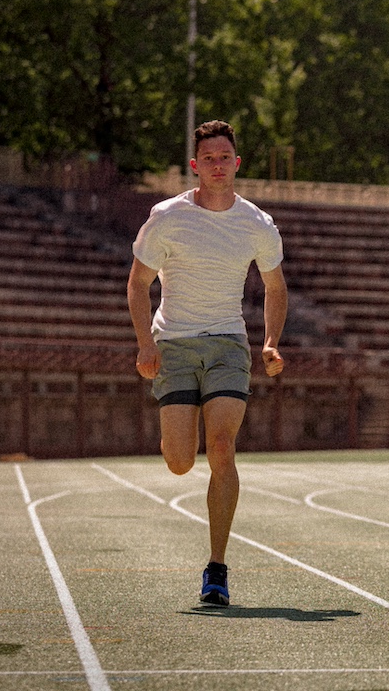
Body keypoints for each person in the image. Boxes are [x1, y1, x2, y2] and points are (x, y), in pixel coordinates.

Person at [127, 120, 288, 607]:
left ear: (237, 164)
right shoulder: (167, 216)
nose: (218, 166)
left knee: (221, 447)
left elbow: (276, 289)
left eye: (226, 158)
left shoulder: (257, 224)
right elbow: (138, 284)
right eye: (209, 159)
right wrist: (144, 344)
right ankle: (175, 434)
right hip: (173, 344)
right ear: (195, 167)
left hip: (227, 345)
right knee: (179, 461)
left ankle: (216, 569)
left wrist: (270, 342)